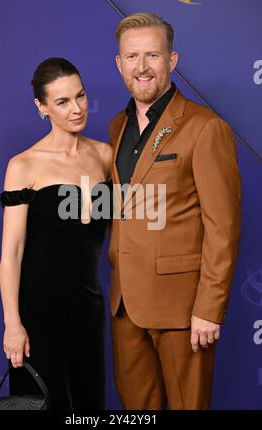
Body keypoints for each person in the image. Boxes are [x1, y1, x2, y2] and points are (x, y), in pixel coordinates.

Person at [107, 13, 241, 410]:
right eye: (132, 56)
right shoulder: (117, 126)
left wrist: (209, 309)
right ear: (119, 64)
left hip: (184, 310)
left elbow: (224, 225)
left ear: (173, 60)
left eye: (152, 55)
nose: (141, 66)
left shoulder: (204, 126)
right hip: (125, 306)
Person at [0, 57, 112, 410]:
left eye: (80, 96)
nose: (77, 109)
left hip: (87, 309)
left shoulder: (105, 155)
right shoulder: (23, 165)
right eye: (62, 102)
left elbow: (125, 231)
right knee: (43, 404)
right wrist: (13, 324)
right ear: (42, 107)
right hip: (38, 314)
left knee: (88, 405)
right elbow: (12, 252)